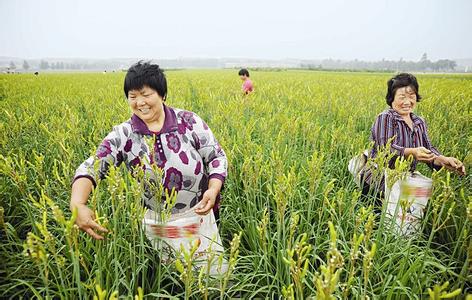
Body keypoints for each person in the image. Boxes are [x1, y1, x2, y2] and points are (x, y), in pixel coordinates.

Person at [70, 61, 228, 240]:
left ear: (162, 95)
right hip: (156, 222)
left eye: (146, 94)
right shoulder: (124, 134)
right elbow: (93, 166)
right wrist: (78, 203)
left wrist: (213, 189)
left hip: (200, 213)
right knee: (164, 266)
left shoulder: (189, 121)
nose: (140, 102)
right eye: (133, 96)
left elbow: (216, 157)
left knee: (205, 263)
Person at [361, 73, 466, 199]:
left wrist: (444, 160)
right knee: (378, 216)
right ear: (392, 98)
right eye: (402, 97)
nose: (407, 102)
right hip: (377, 182)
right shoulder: (386, 117)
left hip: (403, 182)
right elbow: (384, 148)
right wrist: (412, 152)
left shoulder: (418, 122)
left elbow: (428, 149)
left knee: (404, 216)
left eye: (412, 96)